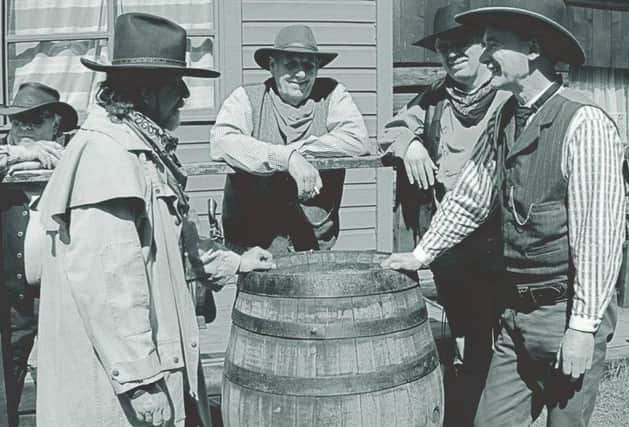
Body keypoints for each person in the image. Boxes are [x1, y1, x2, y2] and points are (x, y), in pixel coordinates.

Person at [382, 1, 624, 426]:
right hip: (515, 315)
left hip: (565, 312)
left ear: (532, 49)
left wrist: (583, 328)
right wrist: (420, 256)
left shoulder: (584, 123)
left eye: (494, 43)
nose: (485, 53)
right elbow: (469, 197)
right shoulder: (505, 118)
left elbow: (599, 238)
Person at [34, 13, 274, 427]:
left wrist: (236, 263)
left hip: (139, 363)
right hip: (116, 378)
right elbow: (110, 280)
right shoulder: (107, 156)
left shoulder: (143, 149)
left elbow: (174, 241)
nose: (183, 96)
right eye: (174, 85)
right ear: (143, 91)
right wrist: (141, 382)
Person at [381, 1, 509, 423]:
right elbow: (394, 130)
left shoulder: (507, 97)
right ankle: (467, 406)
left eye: (462, 44)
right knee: (460, 326)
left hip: (499, 239)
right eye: (443, 47)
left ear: (484, 47)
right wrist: (411, 144)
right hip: (447, 236)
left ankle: (491, 410)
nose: (452, 53)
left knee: (493, 335)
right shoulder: (436, 96)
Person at [210, 24, 374, 254]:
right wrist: (286, 158)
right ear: (272, 66)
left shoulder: (332, 94)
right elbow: (222, 142)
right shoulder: (246, 98)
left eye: (309, 66)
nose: (301, 74)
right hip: (255, 245)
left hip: (313, 241)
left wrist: (298, 152)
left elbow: (357, 140)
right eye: (291, 64)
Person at [0, 82, 77, 427]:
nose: (25, 128)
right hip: (10, 302)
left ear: (56, 125)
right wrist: (23, 154)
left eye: (36, 120)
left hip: (63, 300)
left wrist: (35, 154)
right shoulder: (5, 160)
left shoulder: (73, 158)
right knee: (6, 387)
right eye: (18, 122)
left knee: (64, 386)